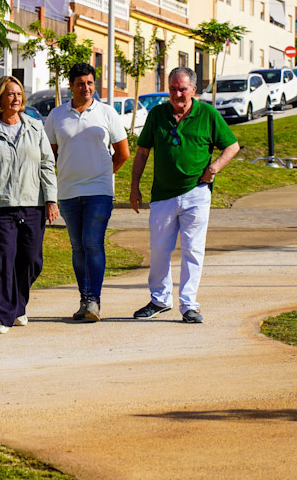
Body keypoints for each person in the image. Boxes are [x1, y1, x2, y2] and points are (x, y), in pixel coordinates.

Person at [129, 66, 239, 323]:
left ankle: (189, 305)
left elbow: (231, 146)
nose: (177, 94)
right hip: (163, 195)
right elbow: (143, 152)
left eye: (182, 89)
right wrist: (134, 186)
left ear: (194, 90)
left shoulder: (207, 114)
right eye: (173, 89)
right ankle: (160, 299)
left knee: (192, 250)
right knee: (158, 249)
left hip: (196, 193)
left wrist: (213, 169)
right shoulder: (158, 114)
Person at [0, 76, 58, 334]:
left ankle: (18, 305)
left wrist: (51, 199)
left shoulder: (35, 127)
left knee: (31, 260)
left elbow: (47, 165)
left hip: (32, 204)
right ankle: (2, 316)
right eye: (10, 94)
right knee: (2, 261)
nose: (16, 98)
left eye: (19, 94)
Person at [44, 63, 130, 322]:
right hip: (69, 191)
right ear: (71, 85)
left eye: (90, 83)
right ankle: (85, 300)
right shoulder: (57, 115)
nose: (86, 88)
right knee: (77, 247)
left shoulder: (106, 113)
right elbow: (50, 155)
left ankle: (94, 300)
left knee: (93, 242)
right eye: (81, 83)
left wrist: (104, 175)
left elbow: (123, 152)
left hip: (99, 191)